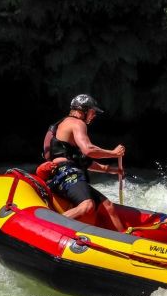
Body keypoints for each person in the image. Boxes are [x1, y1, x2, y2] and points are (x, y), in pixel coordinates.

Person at [40, 94, 126, 231]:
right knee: (87, 205)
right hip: (66, 173)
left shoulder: (65, 126)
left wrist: (112, 170)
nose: (94, 115)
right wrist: (113, 153)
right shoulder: (77, 123)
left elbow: (86, 161)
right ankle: (46, 227)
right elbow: (88, 150)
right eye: (92, 111)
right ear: (83, 110)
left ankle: (125, 243)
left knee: (108, 206)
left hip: (67, 172)